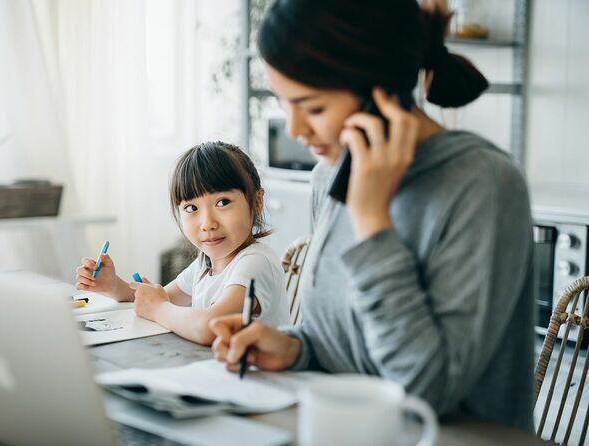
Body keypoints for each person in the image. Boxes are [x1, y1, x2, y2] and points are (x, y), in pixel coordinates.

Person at [209, 0, 534, 431]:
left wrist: (371, 220)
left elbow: (425, 391)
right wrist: (295, 347)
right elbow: (342, 338)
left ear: (382, 90)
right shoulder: (330, 174)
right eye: (285, 103)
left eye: (315, 107)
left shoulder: (483, 184)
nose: (295, 129)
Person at [76, 141, 290, 345]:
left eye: (222, 202)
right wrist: (114, 286)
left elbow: (211, 327)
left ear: (257, 201)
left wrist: (159, 309)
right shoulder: (205, 264)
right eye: (191, 208)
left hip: (258, 380)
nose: (207, 224)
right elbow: (157, 298)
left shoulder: (256, 263)